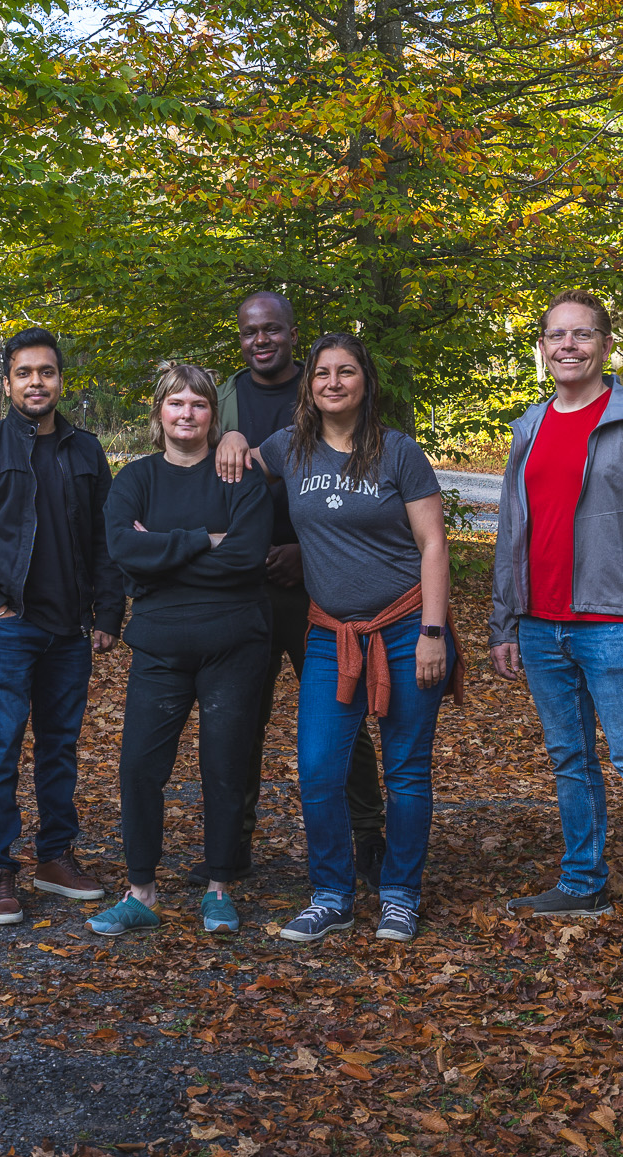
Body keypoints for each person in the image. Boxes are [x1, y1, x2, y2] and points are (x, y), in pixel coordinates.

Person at [248, 333, 459, 944]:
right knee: (317, 770)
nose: (333, 383)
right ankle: (332, 893)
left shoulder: (398, 453)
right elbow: (228, 470)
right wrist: (233, 438)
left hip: (403, 628)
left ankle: (398, 893)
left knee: (406, 772)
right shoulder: (289, 448)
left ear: (365, 381)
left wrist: (433, 632)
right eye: (321, 374)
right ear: (308, 386)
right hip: (329, 635)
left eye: (345, 372)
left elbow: (434, 546)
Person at [490, 289, 623, 960]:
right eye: (556, 335)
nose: (567, 345)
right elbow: (513, 529)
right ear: (542, 348)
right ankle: (582, 880)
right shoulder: (529, 426)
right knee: (570, 759)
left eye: (582, 334)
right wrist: (504, 620)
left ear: (605, 346)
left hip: (611, 624)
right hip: (541, 624)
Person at [0, 326, 125, 925]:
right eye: (24, 373)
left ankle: (54, 856)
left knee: (60, 748)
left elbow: (105, 539)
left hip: (69, 630)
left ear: (60, 379)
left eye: (46, 372)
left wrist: (108, 613)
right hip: (8, 628)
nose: (36, 382)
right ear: (8, 381)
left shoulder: (86, 450)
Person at [89, 364, 273, 935]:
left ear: (213, 415)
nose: (186, 413)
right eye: (175, 404)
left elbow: (246, 558)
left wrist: (163, 554)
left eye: (198, 403)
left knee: (225, 766)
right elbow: (122, 549)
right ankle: (141, 890)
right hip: (160, 648)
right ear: (158, 414)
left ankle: (219, 887)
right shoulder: (136, 479)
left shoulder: (240, 477)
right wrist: (203, 541)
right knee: (140, 768)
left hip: (234, 643)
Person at [212, 292, 386, 886]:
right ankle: (233, 844)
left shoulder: (323, 385)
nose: (261, 341)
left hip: (316, 585)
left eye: (273, 331)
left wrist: (304, 556)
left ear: (292, 334)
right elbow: (202, 466)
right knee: (240, 717)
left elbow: (364, 483)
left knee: (343, 712)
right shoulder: (226, 396)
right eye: (249, 332)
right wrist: (227, 440)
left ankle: (369, 836)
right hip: (243, 582)